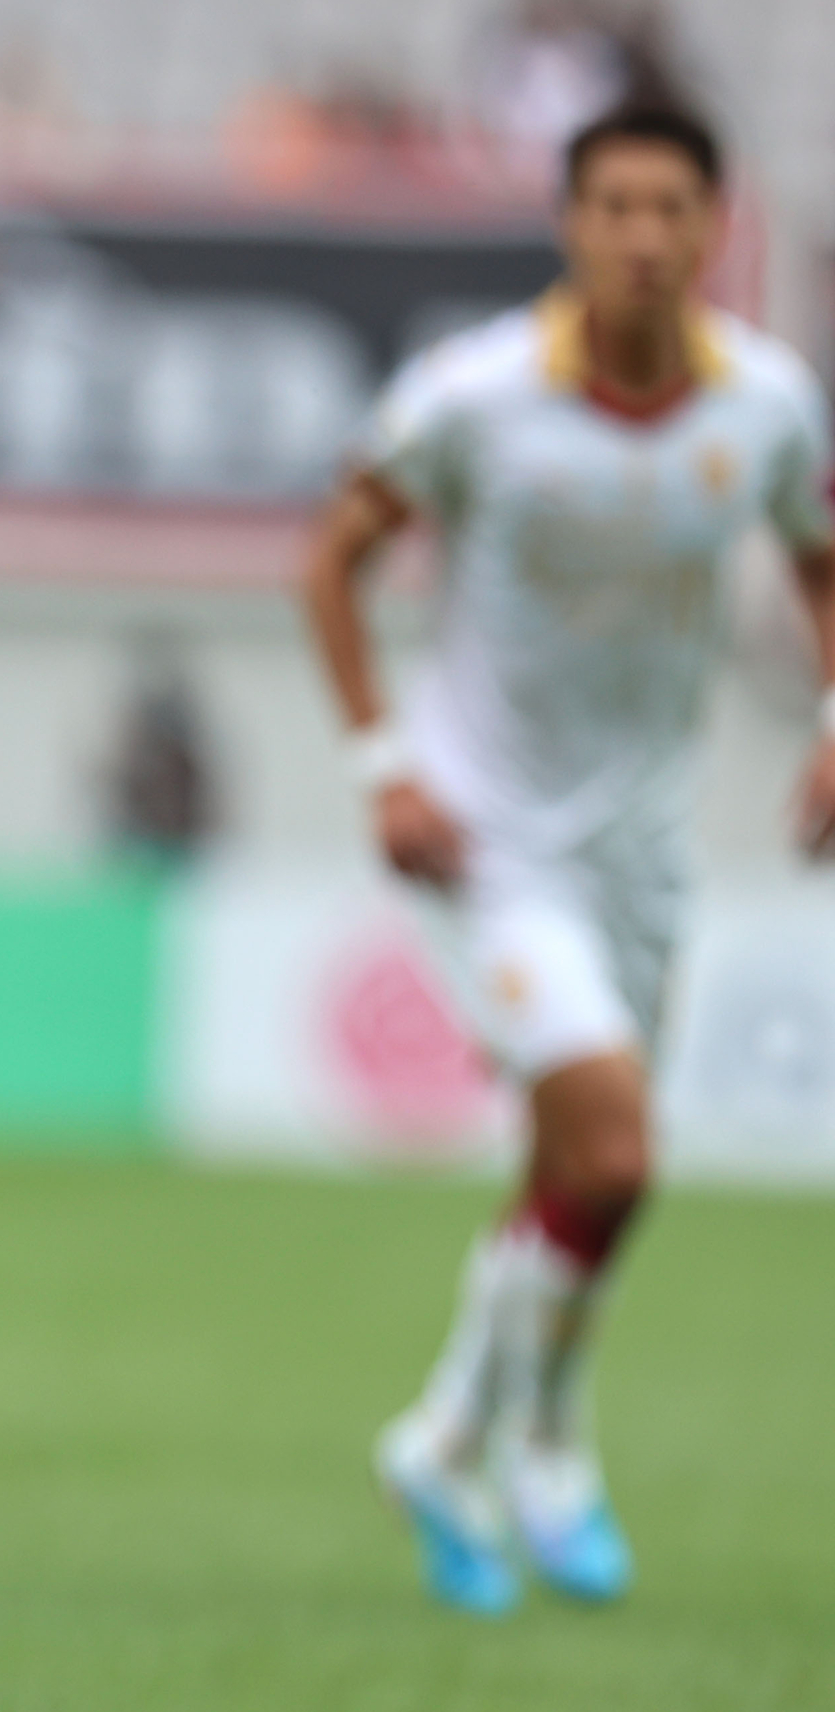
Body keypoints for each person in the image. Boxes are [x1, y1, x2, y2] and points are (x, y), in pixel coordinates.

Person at [306, 94, 835, 1615]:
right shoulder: (474, 397)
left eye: (676, 210)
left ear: (715, 228)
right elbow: (330, 557)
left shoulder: (768, 405)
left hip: (647, 850)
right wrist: (384, 766)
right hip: (493, 840)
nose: (647, 238)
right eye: (618, 208)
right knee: (615, 1152)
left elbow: (816, 547)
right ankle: (516, 1439)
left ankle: (468, 1436)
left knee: (576, 1179)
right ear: (573, 225)